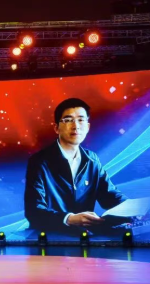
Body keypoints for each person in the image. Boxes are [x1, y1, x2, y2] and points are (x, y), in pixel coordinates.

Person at [24, 98, 127, 234]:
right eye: (68, 120)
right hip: (51, 237)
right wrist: (69, 219)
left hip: (85, 236)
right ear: (56, 128)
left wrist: (133, 208)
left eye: (81, 120)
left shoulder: (92, 159)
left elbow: (110, 196)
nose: (76, 126)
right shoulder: (39, 161)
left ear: (88, 127)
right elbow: (34, 211)